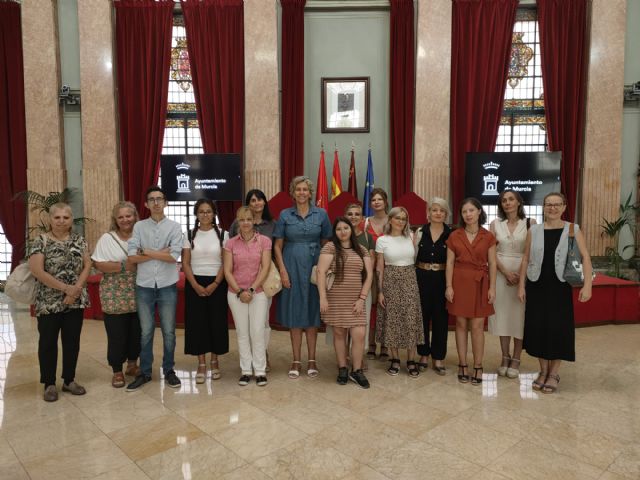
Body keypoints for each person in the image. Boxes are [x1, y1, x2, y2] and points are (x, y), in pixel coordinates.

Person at [518, 192, 593, 394]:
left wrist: (588, 285)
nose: (552, 208)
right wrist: (521, 285)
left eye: (556, 204)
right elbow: (525, 258)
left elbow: (585, 257)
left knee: (558, 329)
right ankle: (542, 371)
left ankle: (554, 373)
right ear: (543, 207)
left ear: (564, 206)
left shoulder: (572, 229)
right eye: (548, 204)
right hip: (537, 285)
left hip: (560, 287)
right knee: (538, 328)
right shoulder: (534, 230)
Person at [28, 202, 92, 402]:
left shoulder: (79, 241)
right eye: (57, 217)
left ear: (71, 220)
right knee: (47, 342)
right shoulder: (40, 241)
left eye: (66, 217)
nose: (61, 221)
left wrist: (75, 291)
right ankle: (49, 384)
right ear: (50, 219)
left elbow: (87, 265)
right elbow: (37, 270)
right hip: (48, 301)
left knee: (72, 342)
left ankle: (69, 380)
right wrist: (66, 289)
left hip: (75, 300)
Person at [273, 176, 332, 379]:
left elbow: (327, 242)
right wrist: (282, 270)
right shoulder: (284, 215)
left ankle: (312, 359)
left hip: (314, 269)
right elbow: (277, 246)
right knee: (295, 313)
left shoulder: (322, 214)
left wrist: (323, 270)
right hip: (291, 267)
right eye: (298, 189)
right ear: (292, 192)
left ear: (310, 192)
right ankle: (296, 360)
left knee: (312, 312)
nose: (301, 193)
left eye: (305, 189)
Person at [126, 186, 184, 391]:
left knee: (169, 331)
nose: (156, 202)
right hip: (144, 285)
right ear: (146, 204)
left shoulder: (175, 227)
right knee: (146, 332)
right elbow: (132, 256)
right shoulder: (139, 227)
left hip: (167, 284)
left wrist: (147, 251)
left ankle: (169, 370)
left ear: (165, 202)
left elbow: (174, 256)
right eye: (152, 199)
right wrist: (161, 252)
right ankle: (146, 372)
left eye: (160, 198)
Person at [445, 198, 497, 386]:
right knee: (460, 323)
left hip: (480, 282)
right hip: (459, 280)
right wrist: (449, 286)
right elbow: (450, 262)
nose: (468, 214)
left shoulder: (488, 236)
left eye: (471, 210)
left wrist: (492, 287)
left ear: (478, 212)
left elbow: (492, 263)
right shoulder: (454, 235)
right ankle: (462, 364)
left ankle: (478, 365)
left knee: (477, 326)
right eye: (464, 211)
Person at [318, 217, 373, 388]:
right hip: (335, 299)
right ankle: (342, 368)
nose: (342, 231)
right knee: (339, 334)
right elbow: (321, 272)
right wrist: (323, 297)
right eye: (339, 229)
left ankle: (357, 371)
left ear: (351, 230)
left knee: (359, 335)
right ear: (335, 232)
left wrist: (362, 298)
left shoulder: (361, 249)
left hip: (356, 300)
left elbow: (369, 275)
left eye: (346, 228)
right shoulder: (330, 247)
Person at [92, 201, 141, 388]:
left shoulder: (142, 236)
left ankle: (132, 365)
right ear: (115, 220)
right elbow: (98, 264)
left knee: (136, 331)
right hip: (114, 293)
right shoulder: (107, 238)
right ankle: (117, 371)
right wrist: (123, 266)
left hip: (139, 292)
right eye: (120, 217)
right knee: (117, 334)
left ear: (135, 216)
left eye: (128, 216)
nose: (125, 220)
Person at [224, 206, 272, 386]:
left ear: (254, 221)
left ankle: (260, 370)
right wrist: (239, 292)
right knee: (242, 333)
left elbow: (265, 267)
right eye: (242, 219)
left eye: (249, 219)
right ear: (237, 221)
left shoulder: (264, 241)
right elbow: (227, 271)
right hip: (235, 294)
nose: (245, 223)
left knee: (258, 332)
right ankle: (245, 370)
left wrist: (251, 290)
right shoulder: (230, 243)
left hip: (257, 293)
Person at [489, 190, 535, 378]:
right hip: (500, 274)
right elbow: (490, 252)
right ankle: (505, 356)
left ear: (518, 202)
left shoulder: (530, 223)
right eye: (504, 200)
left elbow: (530, 252)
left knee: (519, 317)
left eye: (511, 199)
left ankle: (516, 358)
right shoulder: (495, 224)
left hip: (522, 275)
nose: (507, 203)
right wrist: (506, 272)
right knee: (503, 316)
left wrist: (519, 277)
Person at [182, 199, 228, 384]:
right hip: (195, 282)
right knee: (197, 324)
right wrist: (195, 285)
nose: (205, 215)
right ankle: (201, 364)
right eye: (201, 211)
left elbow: (226, 263)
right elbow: (185, 262)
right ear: (196, 214)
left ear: (214, 213)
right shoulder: (189, 234)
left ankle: (214, 361)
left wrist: (215, 283)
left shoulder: (224, 234)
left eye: (208, 211)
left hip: (217, 282)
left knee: (216, 322)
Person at [376, 207, 424, 378]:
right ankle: (395, 359)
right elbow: (380, 267)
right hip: (390, 281)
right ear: (390, 220)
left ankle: (411, 360)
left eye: (404, 218)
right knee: (392, 320)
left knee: (411, 319)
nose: (401, 221)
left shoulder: (412, 236)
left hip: (410, 280)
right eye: (397, 218)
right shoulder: (382, 240)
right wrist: (380, 291)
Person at [414, 197, 452, 375]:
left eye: (441, 210)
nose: (438, 213)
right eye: (434, 210)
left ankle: (438, 357)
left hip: (442, 280)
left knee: (440, 320)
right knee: (421, 318)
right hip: (421, 278)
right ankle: (423, 355)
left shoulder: (451, 234)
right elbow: (413, 258)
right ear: (428, 213)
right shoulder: (420, 232)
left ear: (446, 214)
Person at [363, 188, 389, 360]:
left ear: (386, 201)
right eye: (373, 200)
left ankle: (385, 345)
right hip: (370, 273)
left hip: (391, 271)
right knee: (371, 308)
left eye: (380, 199)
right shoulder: (364, 223)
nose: (377, 202)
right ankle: (371, 344)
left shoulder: (394, 220)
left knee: (387, 309)